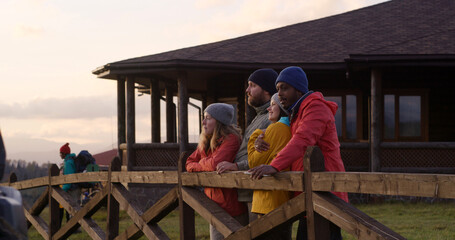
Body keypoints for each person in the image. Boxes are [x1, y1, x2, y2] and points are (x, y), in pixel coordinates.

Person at [249, 66, 348, 240]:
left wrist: (274, 166)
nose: (279, 93)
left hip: (326, 192)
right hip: (308, 193)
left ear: (299, 88)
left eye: (285, 88)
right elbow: (283, 135)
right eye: (278, 88)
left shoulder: (316, 108)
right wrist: (260, 138)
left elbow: (302, 140)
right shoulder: (297, 112)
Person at [216, 68, 278, 223]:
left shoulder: (270, 120)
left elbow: (265, 157)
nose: (247, 90)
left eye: (252, 85)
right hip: (249, 190)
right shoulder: (259, 117)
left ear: (266, 90)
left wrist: (236, 166)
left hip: (260, 193)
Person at [186, 103, 248, 240]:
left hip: (231, 207)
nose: (203, 122)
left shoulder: (231, 139)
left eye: (208, 118)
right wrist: (204, 164)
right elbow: (188, 163)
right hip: (214, 206)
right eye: (204, 118)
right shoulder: (206, 141)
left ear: (219, 121)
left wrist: (201, 163)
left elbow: (215, 164)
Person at [248, 93, 292, 239]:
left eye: (273, 104)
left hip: (269, 200)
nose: (269, 108)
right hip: (282, 199)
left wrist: (255, 135)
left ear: (281, 108)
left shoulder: (276, 129)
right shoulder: (288, 129)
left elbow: (253, 162)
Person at [59, 143, 81, 222]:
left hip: (72, 189)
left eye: (61, 153)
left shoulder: (68, 163)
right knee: (76, 207)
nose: (60, 155)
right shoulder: (72, 160)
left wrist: (62, 190)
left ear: (64, 153)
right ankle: (75, 226)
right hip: (76, 187)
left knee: (73, 207)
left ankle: (74, 227)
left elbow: (68, 179)